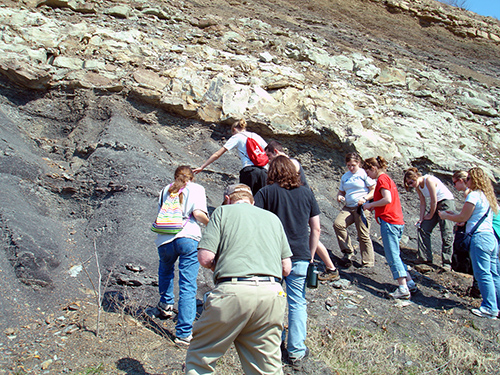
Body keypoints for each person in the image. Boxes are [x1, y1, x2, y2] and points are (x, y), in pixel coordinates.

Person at [185, 184, 292, 374]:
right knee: (266, 366)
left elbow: (205, 257)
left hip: (233, 291)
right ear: (253, 201)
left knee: (201, 358)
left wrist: (219, 265)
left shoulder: (223, 212)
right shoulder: (273, 218)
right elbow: (286, 268)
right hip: (272, 295)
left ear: (228, 199)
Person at [254, 156, 321, 367]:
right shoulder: (307, 193)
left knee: (272, 303)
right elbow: (316, 228)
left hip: (272, 256)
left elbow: (256, 225)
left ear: (271, 172)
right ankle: (296, 351)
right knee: (297, 303)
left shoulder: (266, 193)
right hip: (300, 255)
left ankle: (270, 348)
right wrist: (310, 256)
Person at [265, 141, 339, 281]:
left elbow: (286, 179)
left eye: (269, 156)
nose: (269, 161)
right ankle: (330, 267)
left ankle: (329, 266)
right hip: (301, 201)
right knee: (309, 235)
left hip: (298, 202)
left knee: (308, 235)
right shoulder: (292, 163)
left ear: (275, 151)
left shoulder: (291, 163)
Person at [154, 166, 209, 346]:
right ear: (191, 177)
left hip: (165, 238)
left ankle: (166, 305)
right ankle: (183, 333)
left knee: (165, 271)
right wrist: (211, 224)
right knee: (187, 285)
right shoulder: (197, 189)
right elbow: (198, 214)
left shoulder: (165, 189)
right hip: (188, 237)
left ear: (175, 177)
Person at [439, 167, 500, 319]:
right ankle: (496, 306)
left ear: (474, 180)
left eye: (468, 179)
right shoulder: (487, 197)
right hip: (491, 238)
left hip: (480, 238)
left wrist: (446, 215)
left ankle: (489, 307)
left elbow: (462, 218)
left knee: (482, 273)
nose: (466, 182)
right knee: (493, 274)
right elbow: (468, 216)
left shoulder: (473, 195)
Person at [362, 157, 417, 299]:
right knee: (396, 254)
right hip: (396, 220)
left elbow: (387, 199)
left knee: (392, 255)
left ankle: (403, 287)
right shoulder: (387, 179)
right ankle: (410, 282)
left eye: (368, 172)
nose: (368, 175)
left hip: (390, 221)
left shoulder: (382, 179)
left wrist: (371, 205)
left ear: (373, 168)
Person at [193, 119, 268, 195]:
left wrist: (202, 166)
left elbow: (217, 154)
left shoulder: (237, 137)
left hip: (249, 171)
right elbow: (269, 151)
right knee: (262, 200)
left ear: (234, 130)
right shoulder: (256, 136)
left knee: (246, 197)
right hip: (264, 171)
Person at [403, 168, 456, 270]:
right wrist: (421, 218)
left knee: (446, 232)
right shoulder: (419, 186)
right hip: (434, 206)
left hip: (445, 203)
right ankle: (425, 257)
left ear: (415, 177)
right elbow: (423, 203)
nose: (411, 185)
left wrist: (431, 215)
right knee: (423, 228)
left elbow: (433, 200)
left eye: (411, 182)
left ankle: (447, 262)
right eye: (409, 184)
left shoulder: (429, 180)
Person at [334, 153, 376, 268]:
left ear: (358, 163)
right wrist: (339, 196)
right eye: (348, 165)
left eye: (353, 165)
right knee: (338, 224)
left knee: (363, 233)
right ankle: (348, 250)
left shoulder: (363, 173)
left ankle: (368, 262)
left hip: (361, 207)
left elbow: (373, 189)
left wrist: (365, 198)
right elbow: (341, 191)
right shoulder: (345, 176)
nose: (351, 168)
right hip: (348, 206)